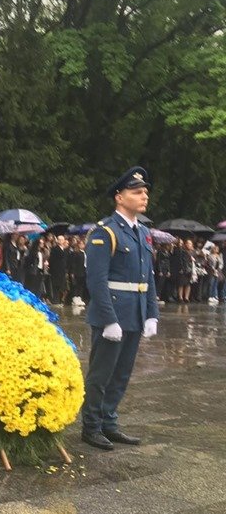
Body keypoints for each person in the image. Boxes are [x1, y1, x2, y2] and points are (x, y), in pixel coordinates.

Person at [80, 167, 158, 452]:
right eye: (137, 191)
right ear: (119, 197)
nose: (144, 195)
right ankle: (91, 426)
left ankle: (109, 422)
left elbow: (148, 277)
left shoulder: (144, 233)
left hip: (134, 313)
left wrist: (152, 313)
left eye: (145, 191)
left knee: (122, 374)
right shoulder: (105, 232)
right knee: (102, 374)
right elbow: (96, 281)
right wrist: (109, 320)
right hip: (111, 315)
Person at [48, 234, 68, 305]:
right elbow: (52, 260)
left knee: (62, 287)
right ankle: (55, 301)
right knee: (56, 287)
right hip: (56, 271)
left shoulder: (64, 249)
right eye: (59, 240)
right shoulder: (55, 249)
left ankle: (60, 300)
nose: (61, 241)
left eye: (62, 240)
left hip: (62, 271)